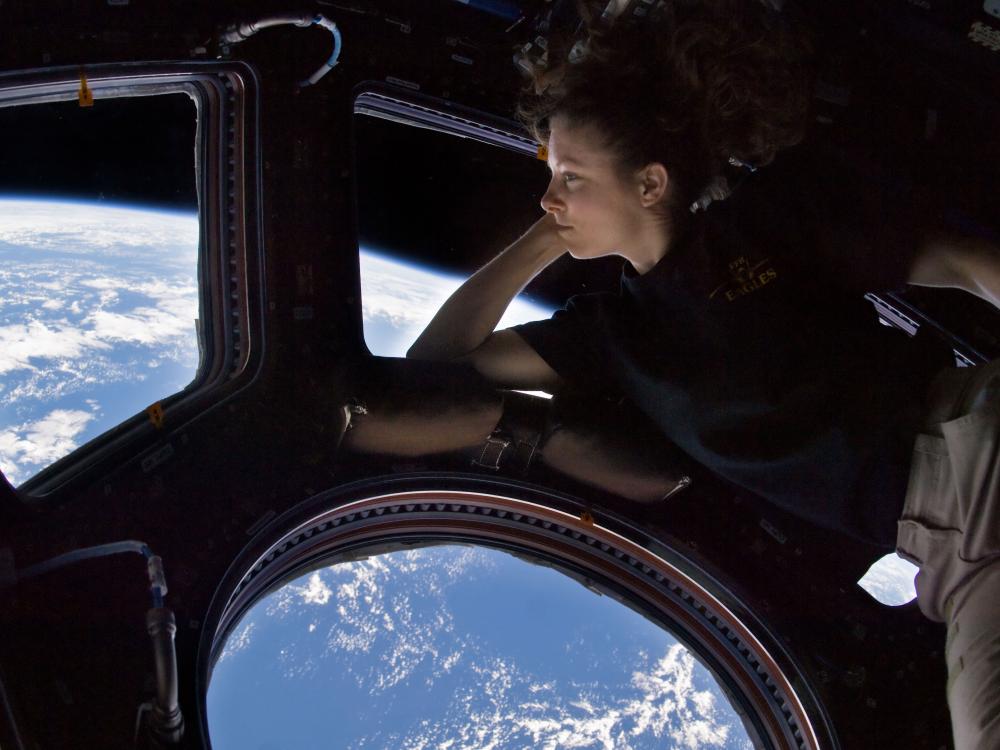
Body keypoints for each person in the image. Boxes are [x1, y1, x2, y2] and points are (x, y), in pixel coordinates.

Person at [404, 2, 1000, 746]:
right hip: (946, 547)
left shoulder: (767, 222)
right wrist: (536, 245)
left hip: (973, 447)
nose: (550, 198)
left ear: (650, 185)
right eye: (550, 174)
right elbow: (428, 374)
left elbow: (972, 266)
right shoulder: (612, 335)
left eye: (570, 176)